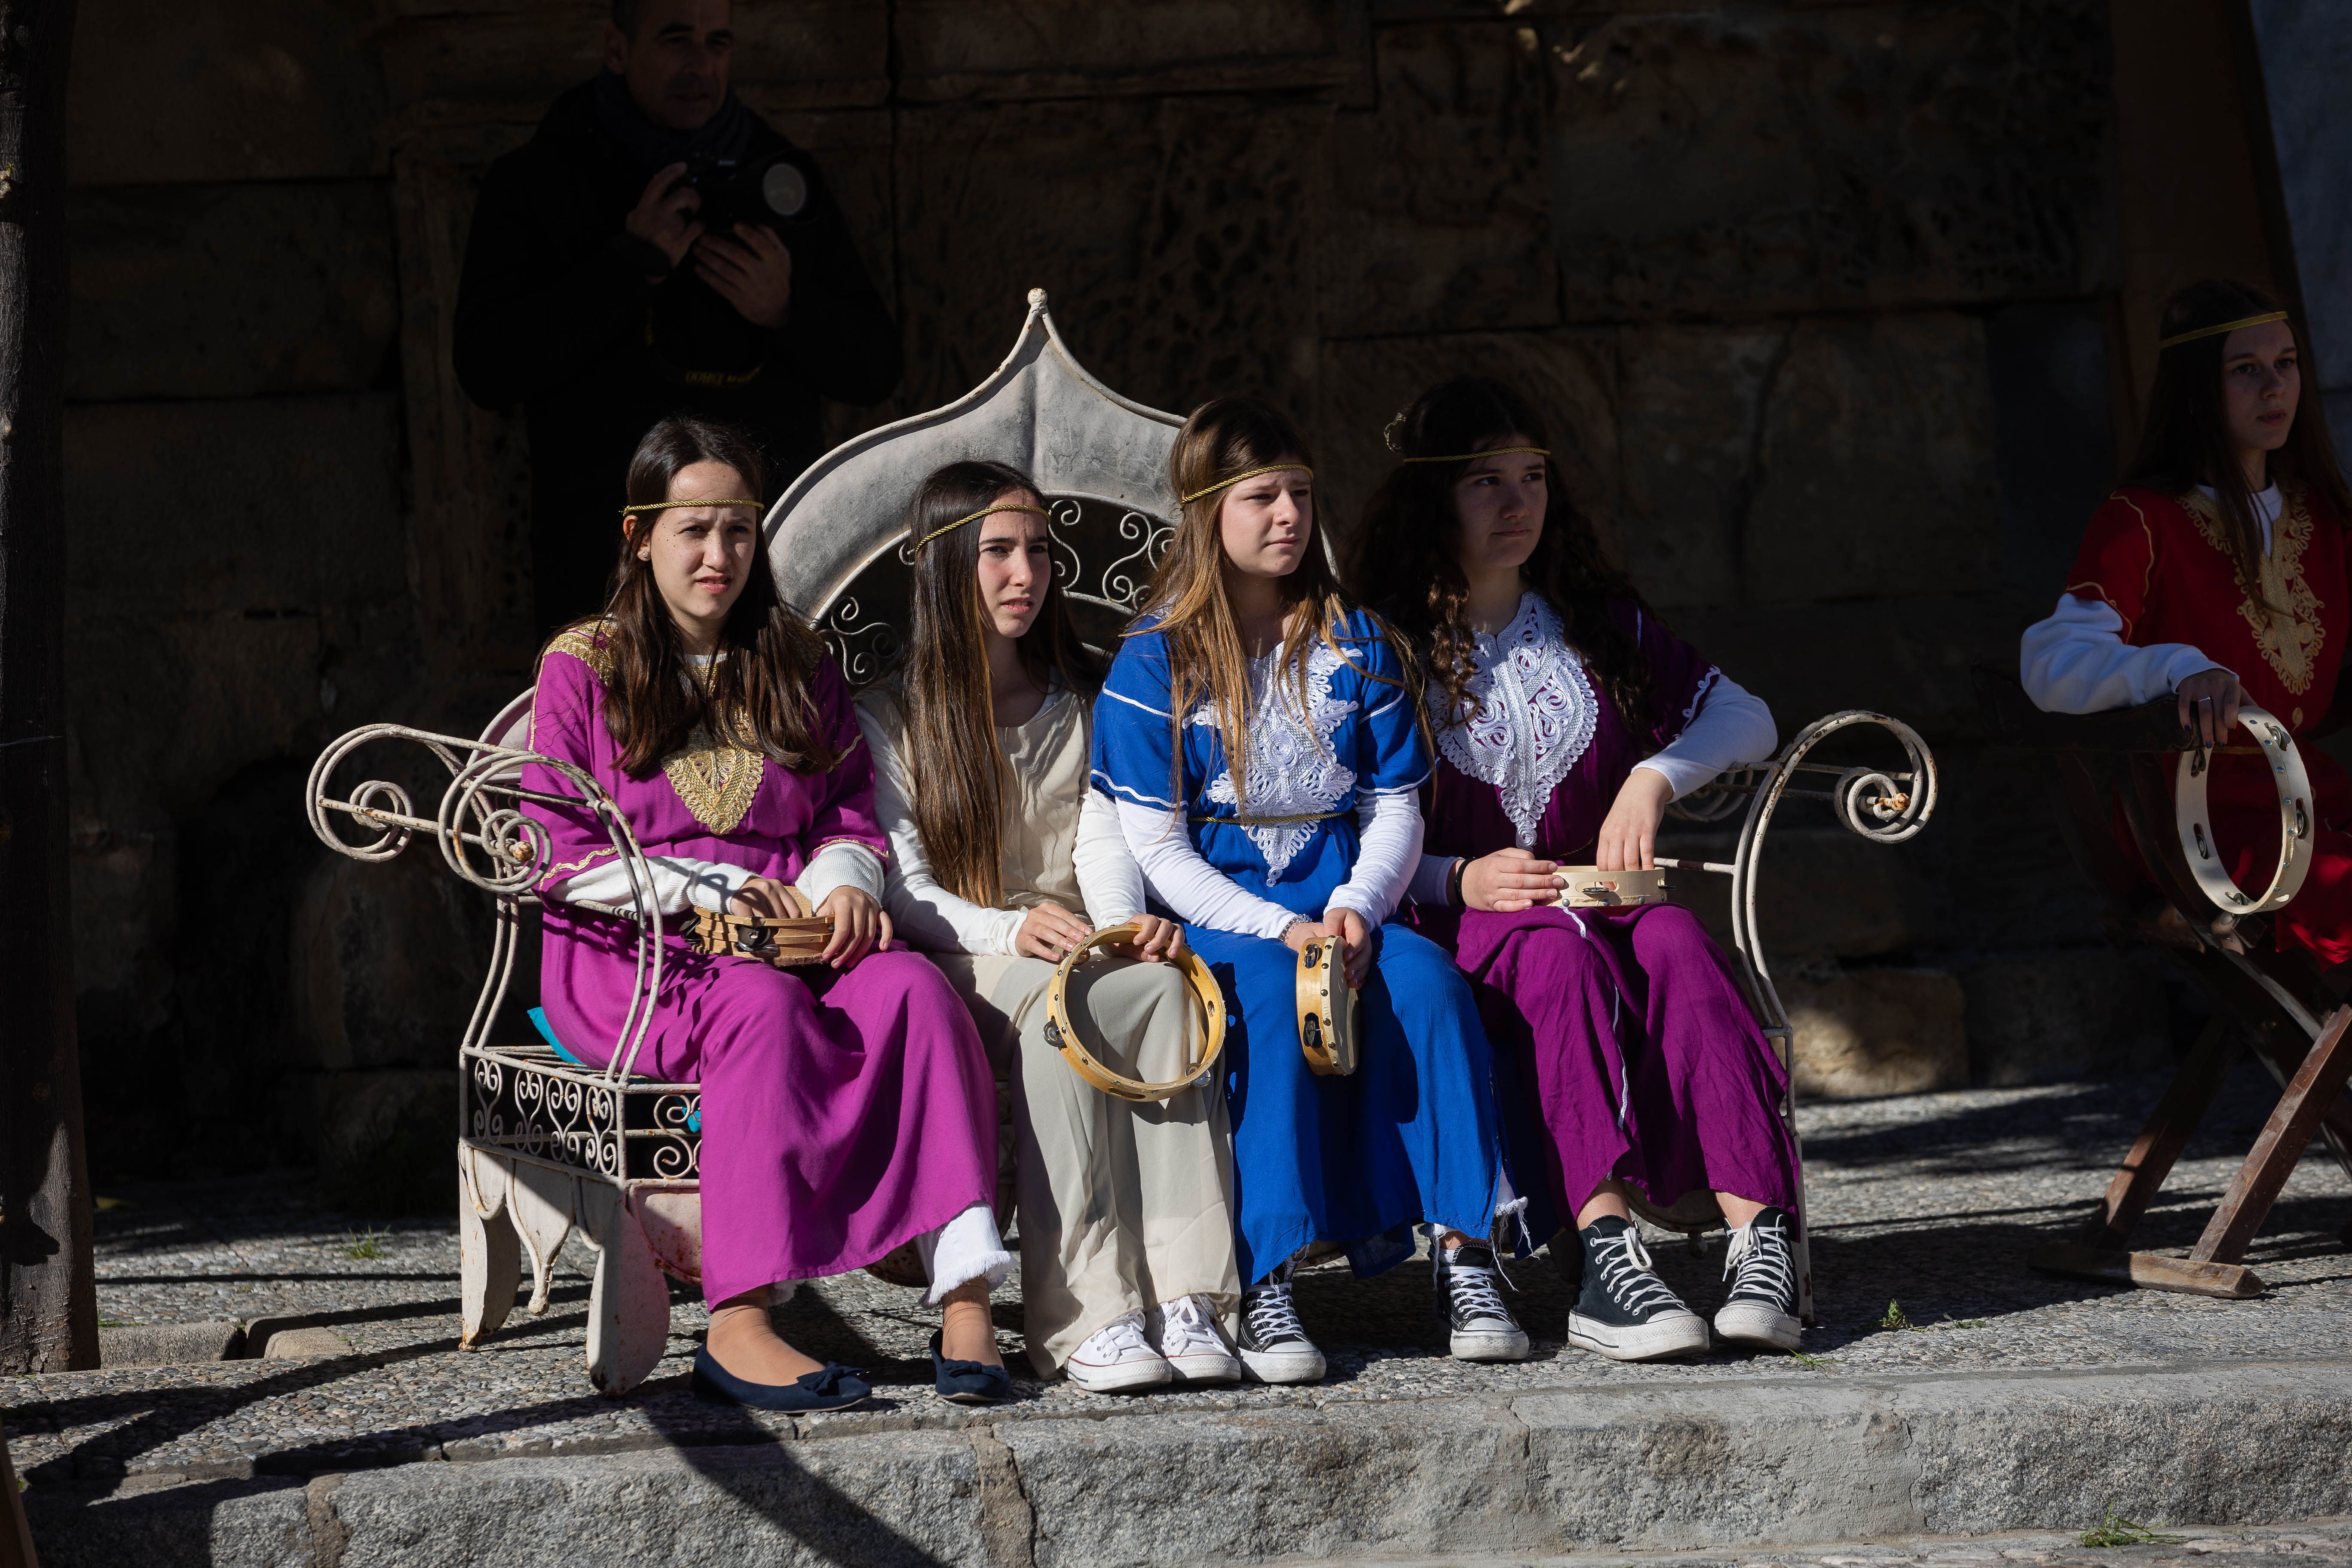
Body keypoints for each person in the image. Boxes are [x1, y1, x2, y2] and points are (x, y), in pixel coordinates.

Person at [521, 416, 1009, 1412]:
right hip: (642, 958)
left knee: (915, 992)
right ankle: (740, 1322)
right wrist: (706, 891)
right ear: (639, 536)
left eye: (738, 530)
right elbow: (556, 856)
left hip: (796, 940)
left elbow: (843, 811)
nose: (719, 555)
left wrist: (845, 885)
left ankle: (966, 1298)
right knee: (761, 1008)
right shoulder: (583, 665)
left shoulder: (794, 656)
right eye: (694, 531)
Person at [1347, 376, 1806, 1361]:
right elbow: (1345, 827)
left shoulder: (1595, 622)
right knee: (1555, 954)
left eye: (1534, 478)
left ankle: (1761, 1241)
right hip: (1457, 922)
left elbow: (1748, 716)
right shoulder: (1380, 645)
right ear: (1433, 496)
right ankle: (1606, 1260)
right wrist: (1455, 878)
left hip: (1602, 907)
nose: (1518, 503)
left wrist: (1652, 778)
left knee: (1678, 941)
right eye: (1487, 481)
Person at [1089, 395, 1529, 1384]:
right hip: (1226, 920)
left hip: (1348, 907)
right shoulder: (1155, 660)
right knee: (1265, 1003)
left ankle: (1466, 1254)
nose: (1289, 515)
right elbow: (1157, 847)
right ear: (1208, 511)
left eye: (1299, 493)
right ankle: (1269, 1272)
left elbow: (1395, 808)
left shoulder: (1358, 641)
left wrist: (1358, 908)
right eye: (1262, 498)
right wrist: (1278, 928)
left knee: (1430, 988)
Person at [857, 460, 1245, 1395]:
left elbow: (1104, 844)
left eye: (1037, 550)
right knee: (1056, 1011)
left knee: (1163, 991)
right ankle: (1085, 1311)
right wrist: (1008, 928)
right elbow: (906, 888)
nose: (1024, 573)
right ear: (946, 563)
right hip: (964, 952)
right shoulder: (893, 716)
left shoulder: (1086, 698)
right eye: (997, 551)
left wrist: (1125, 930)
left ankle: (1186, 1292)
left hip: (1075, 943)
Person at [455, 0, 902, 635]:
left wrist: (787, 309)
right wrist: (626, 268)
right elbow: (486, 368)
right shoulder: (538, 182)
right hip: (607, 572)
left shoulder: (778, 177)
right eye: (676, 40)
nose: (701, 65)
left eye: (718, 43)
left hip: (764, 572)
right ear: (617, 49)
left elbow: (876, 367)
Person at [2021, 279, 2352, 973]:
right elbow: (2052, 662)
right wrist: (2178, 668)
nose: (2274, 387)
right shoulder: (2142, 519)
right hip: (2201, 828)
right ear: (2197, 389)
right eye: (2246, 369)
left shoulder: (2324, 517)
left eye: (2287, 363)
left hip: (2314, 799)